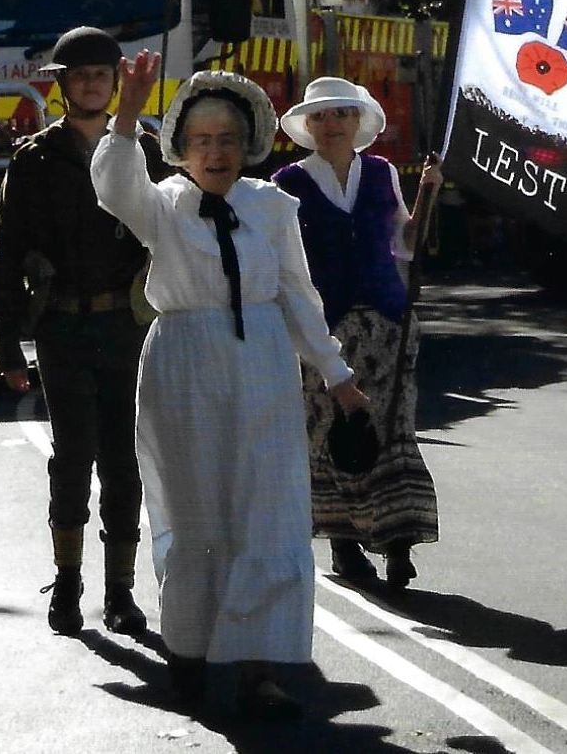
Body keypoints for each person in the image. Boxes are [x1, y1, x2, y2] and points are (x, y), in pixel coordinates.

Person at [91, 53, 367, 716]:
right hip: (182, 366)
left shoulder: (271, 206)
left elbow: (297, 295)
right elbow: (112, 184)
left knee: (267, 514)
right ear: (181, 149)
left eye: (228, 140)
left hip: (262, 367)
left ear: (249, 146)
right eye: (201, 141)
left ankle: (255, 669)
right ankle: (188, 648)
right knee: (194, 517)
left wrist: (338, 376)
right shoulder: (161, 206)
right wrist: (128, 105)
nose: (215, 153)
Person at [0, 26, 167, 636]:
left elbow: (175, 236)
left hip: (129, 326)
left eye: (101, 74)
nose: (91, 83)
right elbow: (6, 252)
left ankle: (121, 591)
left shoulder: (147, 150)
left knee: (125, 462)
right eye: (79, 74)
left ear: (117, 82)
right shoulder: (35, 158)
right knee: (73, 460)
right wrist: (5, 342)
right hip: (63, 326)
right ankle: (68, 581)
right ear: (61, 84)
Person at [272, 77, 442, 590]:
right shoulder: (287, 182)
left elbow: (407, 243)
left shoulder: (382, 173)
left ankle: (397, 541)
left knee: (392, 428)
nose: (331, 124)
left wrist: (428, 192)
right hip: (326, 329)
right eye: (321, 117)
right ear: (308, 126)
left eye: (340, 115)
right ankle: (345, 542)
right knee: (331, 431)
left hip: (388, 321)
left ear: (357, 121)